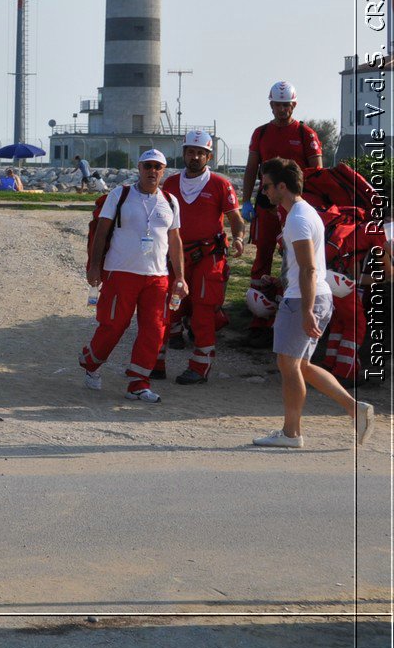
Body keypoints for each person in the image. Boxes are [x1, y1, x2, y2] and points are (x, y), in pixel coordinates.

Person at [252, 158, 374, 449]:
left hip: (303, 299)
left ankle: (291, 434)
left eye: (267, 185)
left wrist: (306, 311)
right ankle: (354, 408)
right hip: (311, 296)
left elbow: (307, 268)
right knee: (301, 365)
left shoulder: (297, 218)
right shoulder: (304, 212)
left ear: (282, 186)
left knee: (289, 365)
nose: (264, 191)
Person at [80, 149, 188, 402]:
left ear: (164, 171)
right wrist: (95, 266)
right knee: (114, 325)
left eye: (157, 167)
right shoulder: (120, 195)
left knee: (154, 329)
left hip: (157, 277)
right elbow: (102, 232)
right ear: (139, 168)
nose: (152, 171)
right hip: (121, 272)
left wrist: (180, 277)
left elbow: (175, 240)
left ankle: (138, 383)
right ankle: (90, 362)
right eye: (147, 166)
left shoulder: (170, 201)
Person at [159, 130, 246, 385]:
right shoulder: (171, 183)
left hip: (209, 255)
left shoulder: (221, 184)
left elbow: (236, 219)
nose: (194, 157)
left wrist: (239, 238)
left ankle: (200, 366)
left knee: (204, 310)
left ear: (209, 156)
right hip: (176, 254)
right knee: (168, 305)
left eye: (200, 153)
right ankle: (155, 360)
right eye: (190, 152)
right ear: (184, 153)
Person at [241, 81, 323, 284]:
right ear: (271, 105)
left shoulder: (306, 134)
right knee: (263, 251)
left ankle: (291, 294)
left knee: (295, 252)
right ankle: (258, 298)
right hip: (267, 201)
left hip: (295, 204)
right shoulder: (260, 133)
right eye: (278, 104)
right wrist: (246, 201)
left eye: (286, 104)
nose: (282, 109)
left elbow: (318, 173)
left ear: (293, 106)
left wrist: (316, 203)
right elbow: (252, 168)